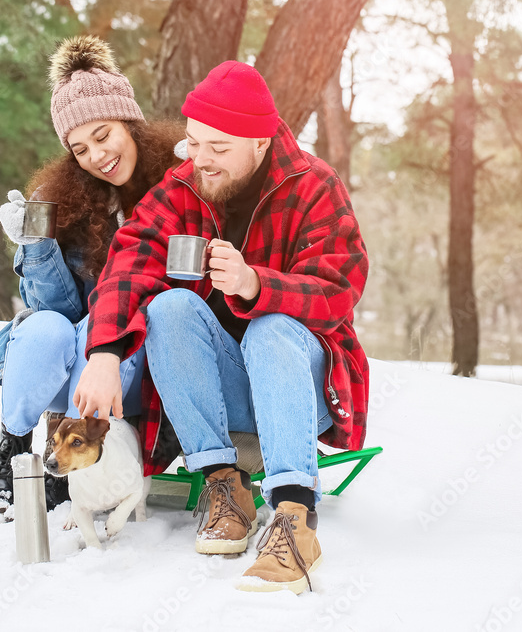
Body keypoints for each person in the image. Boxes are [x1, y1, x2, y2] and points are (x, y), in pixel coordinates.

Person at [73, 61, 370, 593]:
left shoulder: (313, 184)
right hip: (229, 387)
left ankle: (294, 518)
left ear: (260, 142)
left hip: (303, 383)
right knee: (169, 308)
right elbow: (129, 259)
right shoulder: (184, 185)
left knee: (270, 326)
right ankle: (224, 486)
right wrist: (105, 353)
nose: (200, 160)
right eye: (193, 143)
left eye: (218, 148)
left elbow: (341, 288)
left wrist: (258, 285)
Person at [0, 35, 184, 511]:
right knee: (44, 326)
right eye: (80, 148)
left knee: (99, 323)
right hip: (73, 361)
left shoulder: (173, 186)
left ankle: (76, 456)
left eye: (103, 134)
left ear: (130, 122)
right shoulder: (68, 201)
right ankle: (13, 447)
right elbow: (58, 309)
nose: (96, 155)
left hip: (133, 370)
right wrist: (37, 248)